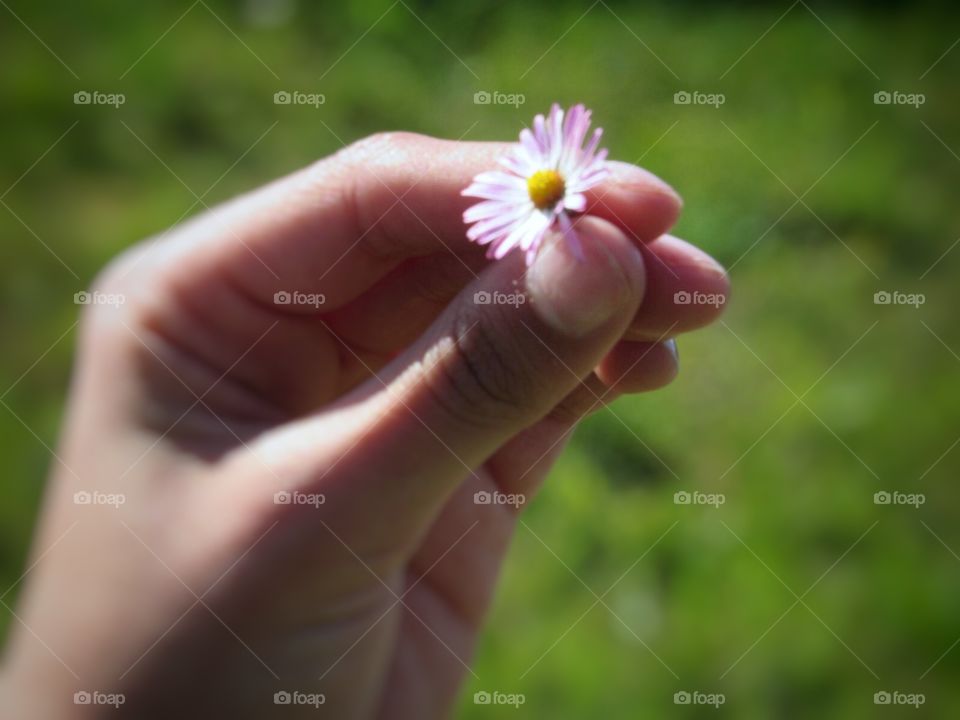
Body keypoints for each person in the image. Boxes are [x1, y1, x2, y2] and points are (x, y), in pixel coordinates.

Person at [0, 131, 729, 719]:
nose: (545, 187)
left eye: (550, 183)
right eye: (542, 184)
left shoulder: (553, 187)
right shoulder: (536, 202)